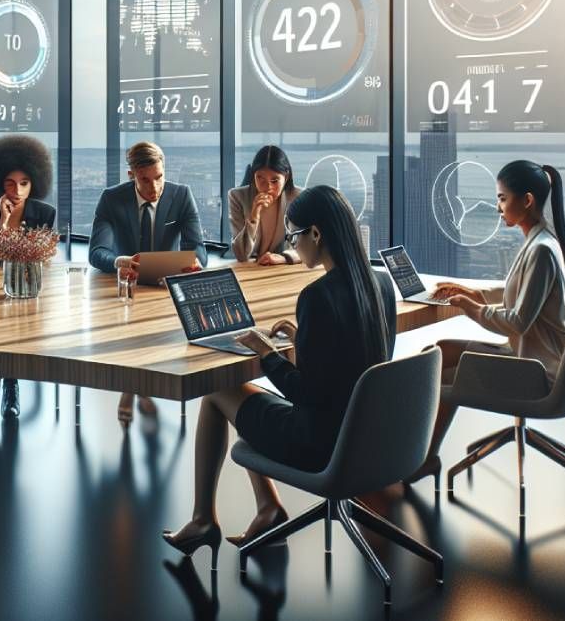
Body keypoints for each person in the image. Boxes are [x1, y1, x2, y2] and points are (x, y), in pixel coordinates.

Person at [162, 186, 395, 559]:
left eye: (294, 236)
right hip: (368, 436)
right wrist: (306, 340)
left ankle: (204, 518)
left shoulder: (317, 296)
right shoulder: (380, 283)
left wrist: (267, 353)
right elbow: (361, 360)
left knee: (219, 390)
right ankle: (266, 509)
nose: (293, 244)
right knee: (247, 398)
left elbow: (305, 394)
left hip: (319, 444)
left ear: (316, 234)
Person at [409, 160, 565, 482]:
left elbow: (518, 322)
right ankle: (422, 455)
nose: (498, 207)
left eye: (501, 198)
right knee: (437, 353)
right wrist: (473, 292)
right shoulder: (539, 242)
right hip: (532, 358)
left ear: (526, 201)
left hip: (536, 370)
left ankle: (421, 456)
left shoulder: (540, 251)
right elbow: (518, 295)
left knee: (436, 374)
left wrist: (470, 307)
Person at [89, 140, 209, 425]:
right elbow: (97, 252)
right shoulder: (111, 198)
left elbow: (199, 248)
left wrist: (195, 263)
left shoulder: (182, 195)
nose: (154, 188)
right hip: (125, 287)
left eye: (159, 177)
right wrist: (118, 261)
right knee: (127, 337)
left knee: (155, 339)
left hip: (164, 288)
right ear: (131, 174)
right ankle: (134, 388)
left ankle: (132, 388)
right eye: (145, 180)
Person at [0, 136, 57, 420]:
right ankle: (9, 385)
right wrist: (2, 224)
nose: (17, 190)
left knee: (21, 324)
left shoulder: (44, 213)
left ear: (34, 183)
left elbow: (40, 259)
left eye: (24, 183)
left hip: (28, 290)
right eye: (9, 183)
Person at [227, 145, 301, 266]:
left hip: (284, 267)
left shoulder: (298, 197)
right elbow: (241, 255)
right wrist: (254, 216)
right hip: (251, 268)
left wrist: (284, 258)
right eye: (260, 178)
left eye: (274, 180)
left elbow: (310, 246)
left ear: (286, 177)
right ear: (253, 175)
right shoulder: (237, 197)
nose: (268, 187)